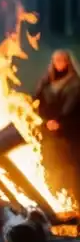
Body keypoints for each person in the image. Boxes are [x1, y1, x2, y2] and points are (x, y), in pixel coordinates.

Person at [34, 49, 80, 201]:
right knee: (51, 167)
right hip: (48, 133)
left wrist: (60, 122)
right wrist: (46, 121)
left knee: (70, 170)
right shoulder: (46, 82)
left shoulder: (75, 84)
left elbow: (74, 109)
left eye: (62, 60)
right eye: (56, 60)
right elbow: (37, 102)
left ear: (68, 62)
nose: (59, 63)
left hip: (69, 135)